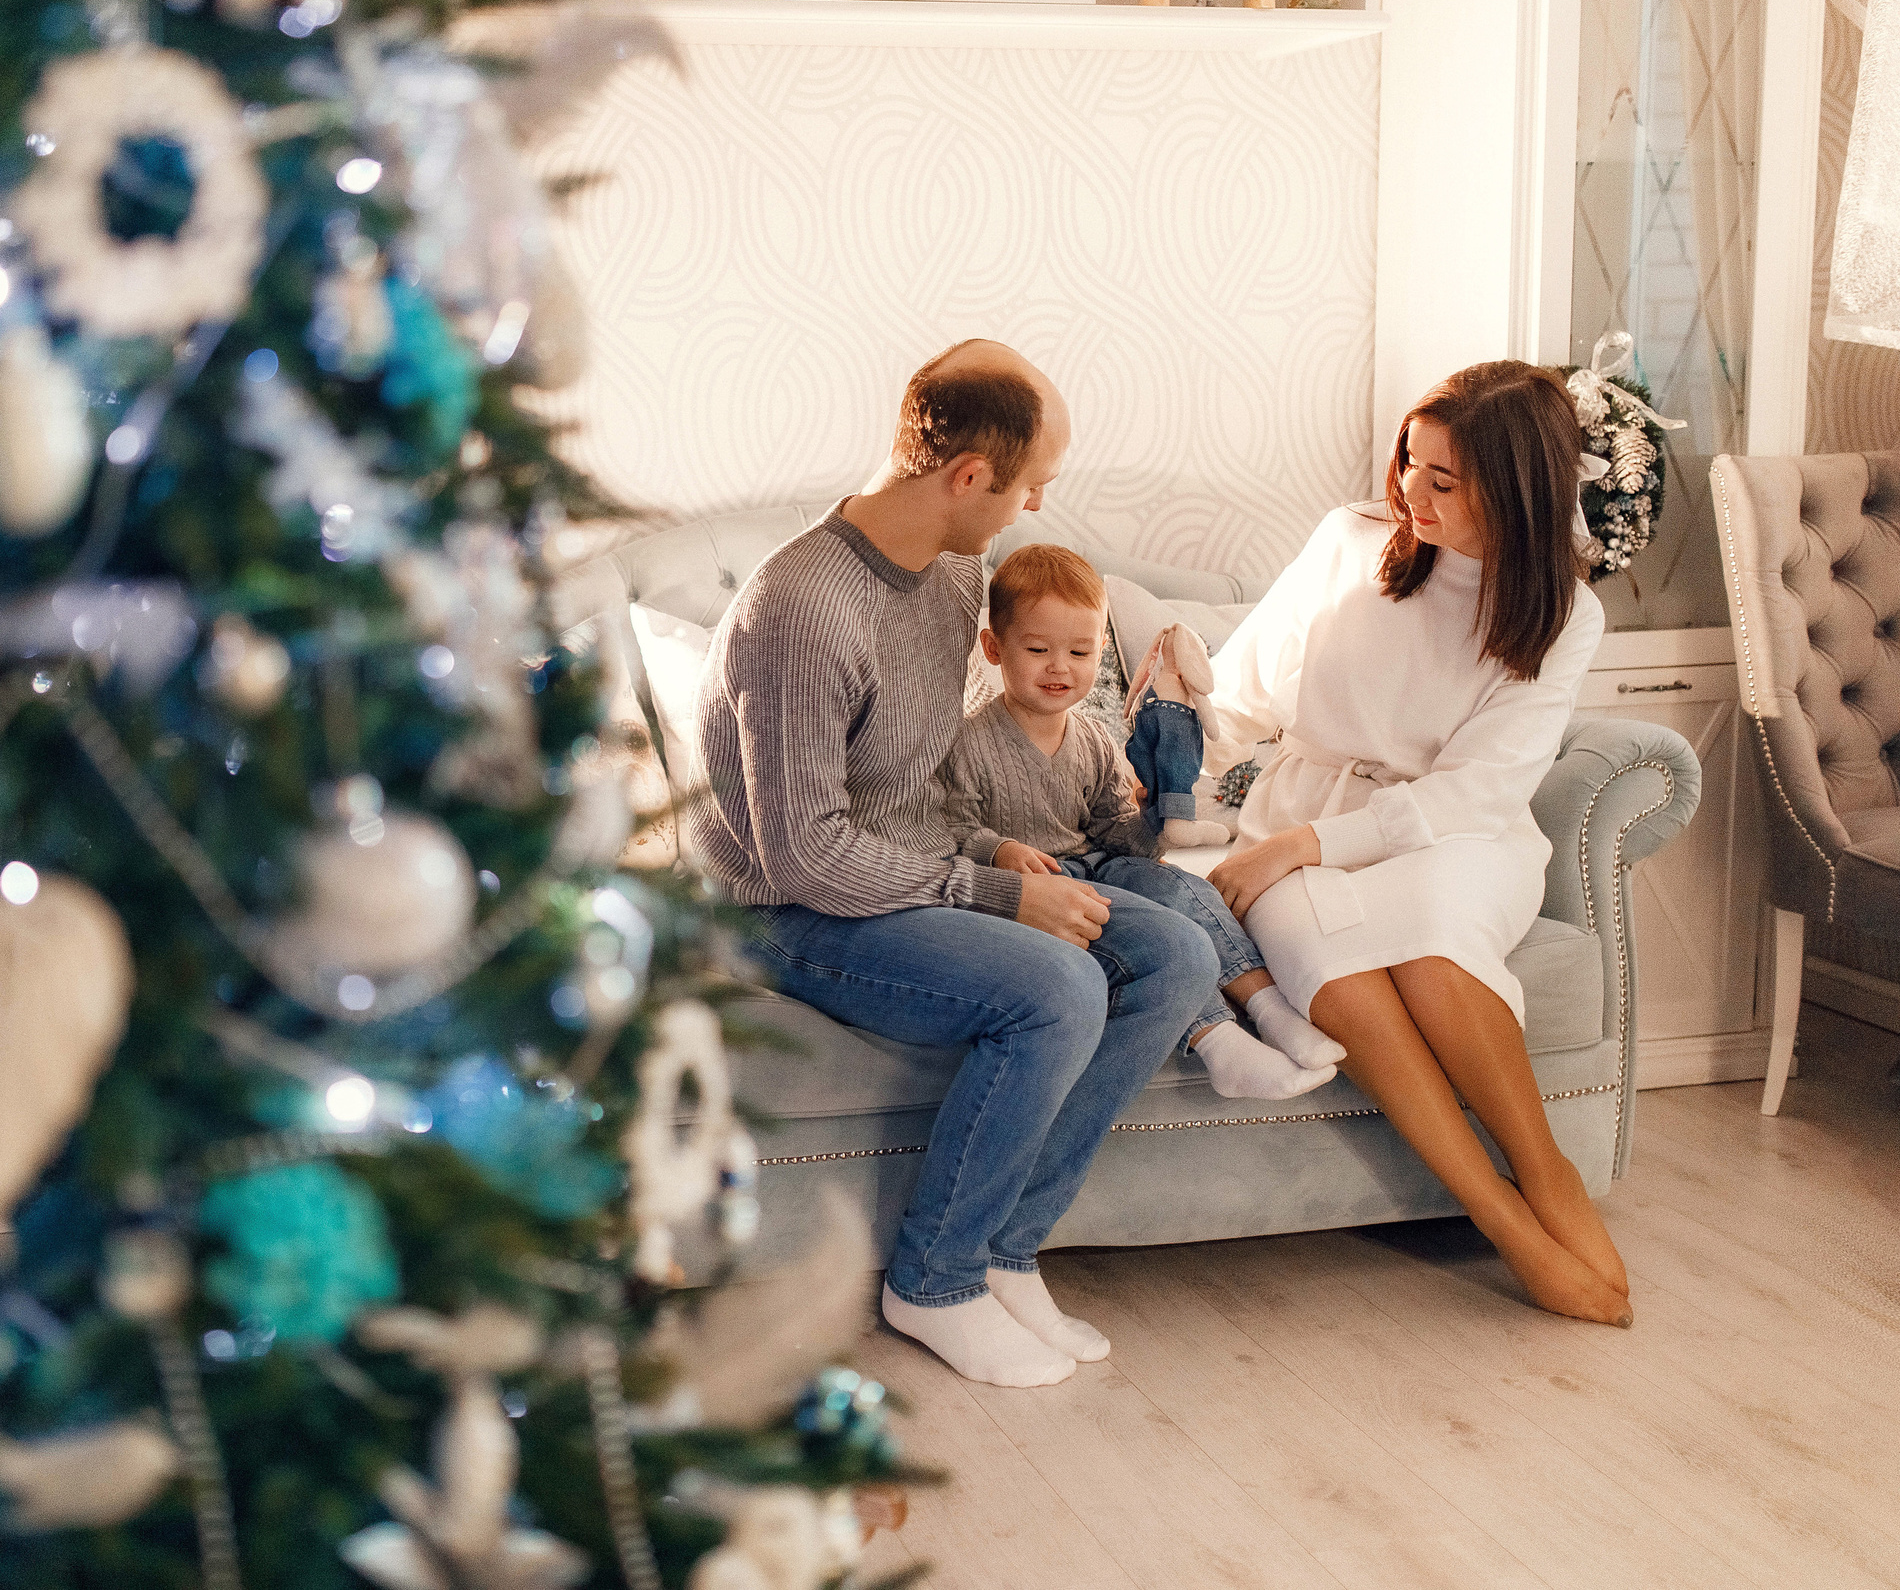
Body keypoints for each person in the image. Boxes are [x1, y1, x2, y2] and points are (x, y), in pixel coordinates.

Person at [690, 339, 1220, 1389]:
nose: (1030, 510)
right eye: (1028, 486)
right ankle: (932, 1280)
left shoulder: (948, 573)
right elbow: (805, 855)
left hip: (900, 868)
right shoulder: (800, 608)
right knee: (1057, 986)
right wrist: (994, 892)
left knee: (1175, 957)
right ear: (968, 476)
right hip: (788, 909)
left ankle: (1006, 1251)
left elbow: (924, 784)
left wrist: (1018, 841)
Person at [1203, 360, 1631, 1327]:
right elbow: (1243, 687)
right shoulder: (1349, 544)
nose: (1410, 493)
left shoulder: (1565, 614)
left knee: (1435, 947)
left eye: (1444, 481)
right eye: (1410, 463)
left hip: (1458, 832)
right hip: (1300, 813)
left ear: (1517, 492)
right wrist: (1167, 773)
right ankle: (1506, 1221)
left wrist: (1312, 844)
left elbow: (1477, 789)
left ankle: (1545, 1170)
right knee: (1334, 962)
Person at [941, 544, 1345, 1101]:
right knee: (1146, 939)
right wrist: (1000, 850)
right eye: (1038, 649)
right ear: (994, 647)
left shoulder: (1093, 742)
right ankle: (1216, 1038)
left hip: (1101, 864)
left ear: (1101, 647)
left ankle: (1269, 1008)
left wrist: (1152, 815)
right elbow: (948, 827)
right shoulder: (968, 740)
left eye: (1080, 652)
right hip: (1038, 887)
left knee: (1178, 888)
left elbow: (1118, 837)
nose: (1060, 667)